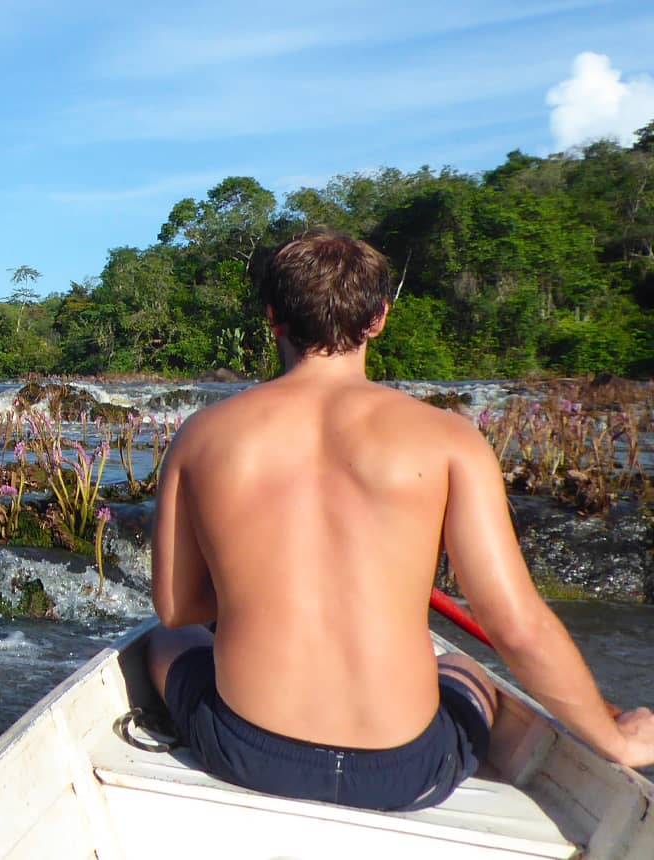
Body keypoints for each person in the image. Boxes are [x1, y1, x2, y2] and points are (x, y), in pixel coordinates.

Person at [146, 230, 654, 812]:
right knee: (466, 670)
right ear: (379, 319)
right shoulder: (451, 440)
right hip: (402, 771)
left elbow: (178, 608)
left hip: (248, 751)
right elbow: (514, 626)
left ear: (273, 318)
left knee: (167, 639)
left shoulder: (201, 435)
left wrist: (255, 591)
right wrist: (614, 737)